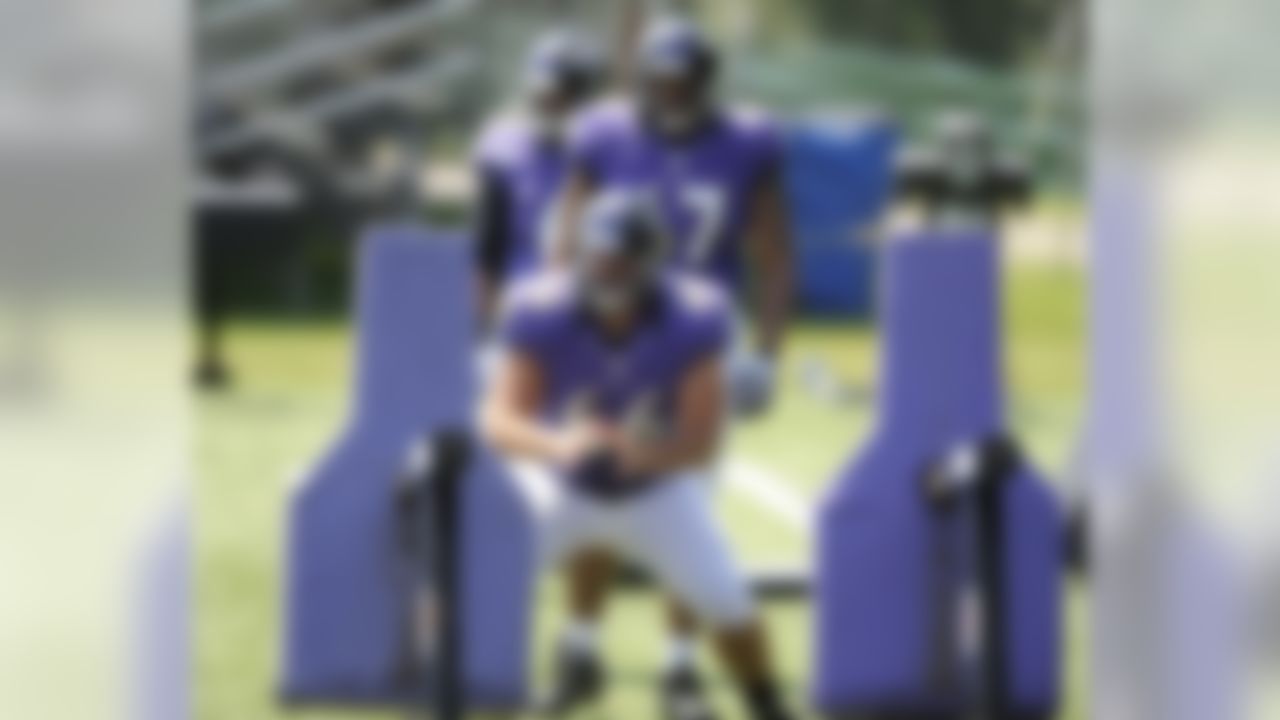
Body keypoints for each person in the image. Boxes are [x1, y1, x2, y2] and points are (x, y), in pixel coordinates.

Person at [543, 17, 794, 718]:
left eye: (683, 81)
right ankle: (580, 647)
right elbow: (567, 241)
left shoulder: (746, 142)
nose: (670, 93)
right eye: (658, 80)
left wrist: (768, 356)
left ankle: (679, 670)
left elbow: (773, 255)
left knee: (686, 501)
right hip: (608, 330)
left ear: (707, 82)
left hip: (697, 341)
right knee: (591, 483)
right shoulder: (602, 133)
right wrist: (563, 331)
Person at [481, 192, 796, 720]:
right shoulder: (540, 307)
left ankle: (767, 705)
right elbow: (499, 420)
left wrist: (640, 454)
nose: (609, 272)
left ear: (651, 264)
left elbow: (702, 442)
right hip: (561, 482)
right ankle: (441, 691)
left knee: (726, 601)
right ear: (579, 255)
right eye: (599, 259)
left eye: (623, 261)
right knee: (476, 583)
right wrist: (562, 444)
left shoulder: (696, 313)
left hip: (655, 486)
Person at [472, 29, 605, 325]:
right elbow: (488, 246)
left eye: (559, 97)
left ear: (582, 97)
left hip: (591, 309)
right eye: (543, 94)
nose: (548, 103)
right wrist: (485, 317)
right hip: (518, 303)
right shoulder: (504, 146)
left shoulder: (607, 149)